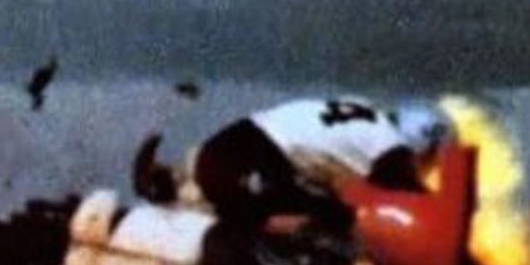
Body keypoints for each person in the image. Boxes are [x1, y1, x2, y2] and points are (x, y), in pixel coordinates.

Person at [136, 98, 450, 230]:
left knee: (319, 203)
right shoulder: (391, 149)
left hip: (229, 143)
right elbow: (417, 203)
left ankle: (165, 184)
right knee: (334, 217)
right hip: (257, 160)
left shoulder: (366, 111)